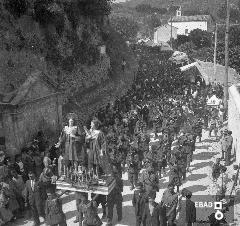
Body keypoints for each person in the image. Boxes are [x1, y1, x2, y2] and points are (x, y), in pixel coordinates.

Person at [55, 113, 84, 178]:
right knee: (67, 158)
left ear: (73, 122)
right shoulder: (65, 128)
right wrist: (59, 143)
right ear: (68, 122)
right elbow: (62, 138)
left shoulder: (76, 128)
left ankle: (76, 170)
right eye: (70, 121)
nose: (71, 122)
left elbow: (81, 137)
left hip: (74, 145)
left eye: (72, 121)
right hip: (67, 146)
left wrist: (75, 137)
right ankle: (67, 172)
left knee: (74, 158)